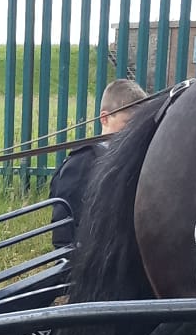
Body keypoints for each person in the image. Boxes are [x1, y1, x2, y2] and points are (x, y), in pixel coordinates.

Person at [48, 77, 147, 245]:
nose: (134, 132)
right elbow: (65, 230)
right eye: (128, 123)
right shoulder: (82, 163)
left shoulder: (139, 158)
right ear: (105, 118)